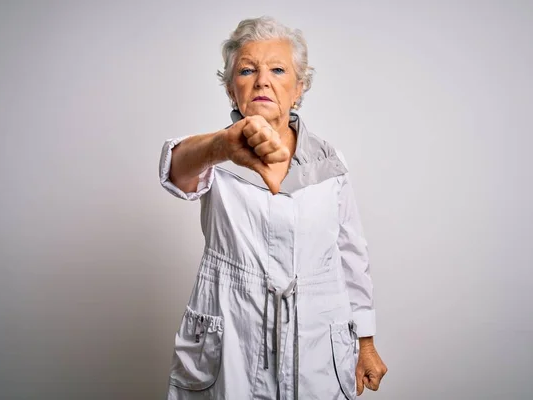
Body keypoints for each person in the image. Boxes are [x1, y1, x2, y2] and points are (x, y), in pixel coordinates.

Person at [159, 16, 387, 399]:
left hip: (317, 337)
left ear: (299, 88)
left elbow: (350, 254)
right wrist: (221, 147)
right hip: (231, 336)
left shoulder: (330, 163)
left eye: (278, 69)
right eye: (247, 70)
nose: (262, 80)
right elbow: (175, 170)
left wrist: (365, 341)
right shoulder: (212, 154)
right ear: (233, 91)